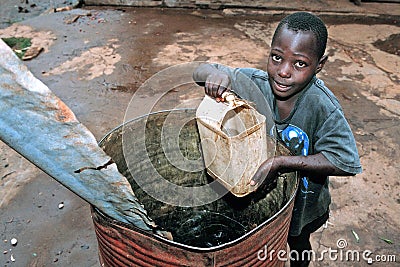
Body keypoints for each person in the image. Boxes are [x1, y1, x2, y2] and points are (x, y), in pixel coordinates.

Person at [192, 12, 362, 267]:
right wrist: (215, 76)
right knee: (262, 244)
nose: (283, 72)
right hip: (261, 198)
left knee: (298, 243)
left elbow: (344, 161)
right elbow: (200, 70)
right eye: (276, 58)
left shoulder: (322, 106)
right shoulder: (255, 84)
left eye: (300, 64)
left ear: (320, 64)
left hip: (304, 206)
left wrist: (282, 162)